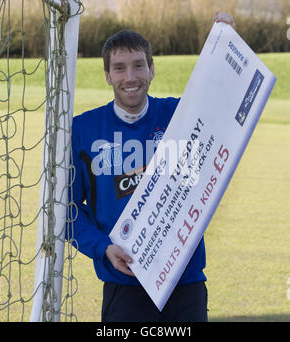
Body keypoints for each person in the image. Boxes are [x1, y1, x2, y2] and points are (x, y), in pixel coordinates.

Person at [70, 12, 235, 322]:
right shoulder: (83, 130)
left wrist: (225, 41)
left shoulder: (179, 114)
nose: (130, 77)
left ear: (152, 69)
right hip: (124, 284)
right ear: (107, 75)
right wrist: (102, 247)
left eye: (138, 65)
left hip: (185, 284)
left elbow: (225, 100)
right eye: (119, 68)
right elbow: (66, 209)